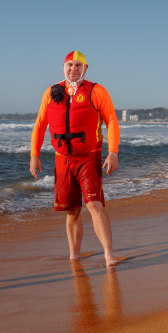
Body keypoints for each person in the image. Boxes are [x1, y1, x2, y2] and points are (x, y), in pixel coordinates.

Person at [30, 50, 120, 267]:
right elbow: (40, 125)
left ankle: (109, 255)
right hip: (62, 159)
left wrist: (113, 151)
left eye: (78, 65)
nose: (73, 69)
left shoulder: (96, 91)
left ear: (85, 69)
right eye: (70, 65)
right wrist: (34, 155)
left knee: (94, 205)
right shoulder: (51, 92)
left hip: (89, 157)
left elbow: (111, 121)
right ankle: (74, 256)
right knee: (71, 211)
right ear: (64, 67)